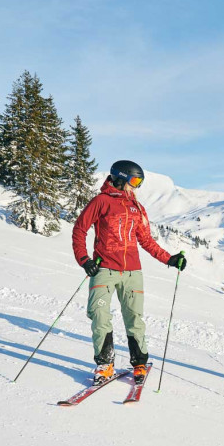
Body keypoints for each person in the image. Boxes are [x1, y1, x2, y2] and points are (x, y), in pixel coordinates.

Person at [72, 160, 186, 385]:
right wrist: (84, 260)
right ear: (121, 178)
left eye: (140, 182)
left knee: (134, 318)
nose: (137, 187)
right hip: (104, 269)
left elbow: (146, 240)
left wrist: (170, 259)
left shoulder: (137, 207)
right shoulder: (101, 202)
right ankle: (105, 364)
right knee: (99, 314)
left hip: (133, 272)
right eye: (134, 181)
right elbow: (79, 230)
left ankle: (140, 362)